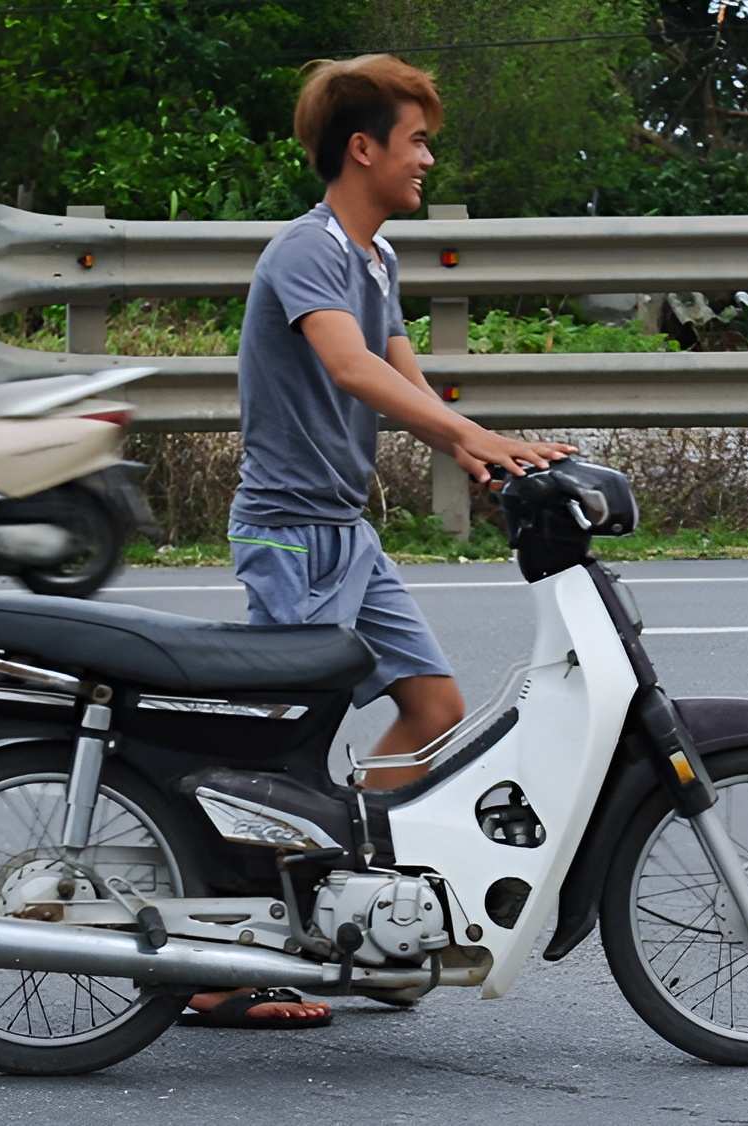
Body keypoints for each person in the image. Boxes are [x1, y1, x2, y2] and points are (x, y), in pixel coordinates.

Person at [185, 54, 577, 1033]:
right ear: (361, 148)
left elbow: (407, 377)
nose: (428, 160)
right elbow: (352, 367)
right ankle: (217, 963)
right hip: (285, 534)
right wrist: (462, 438)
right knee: (285, 750)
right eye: (414, 141)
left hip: (345, 533)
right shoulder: (305, 252)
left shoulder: (376, 259)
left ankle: (340, 878)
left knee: (432, 705)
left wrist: (492, 447)